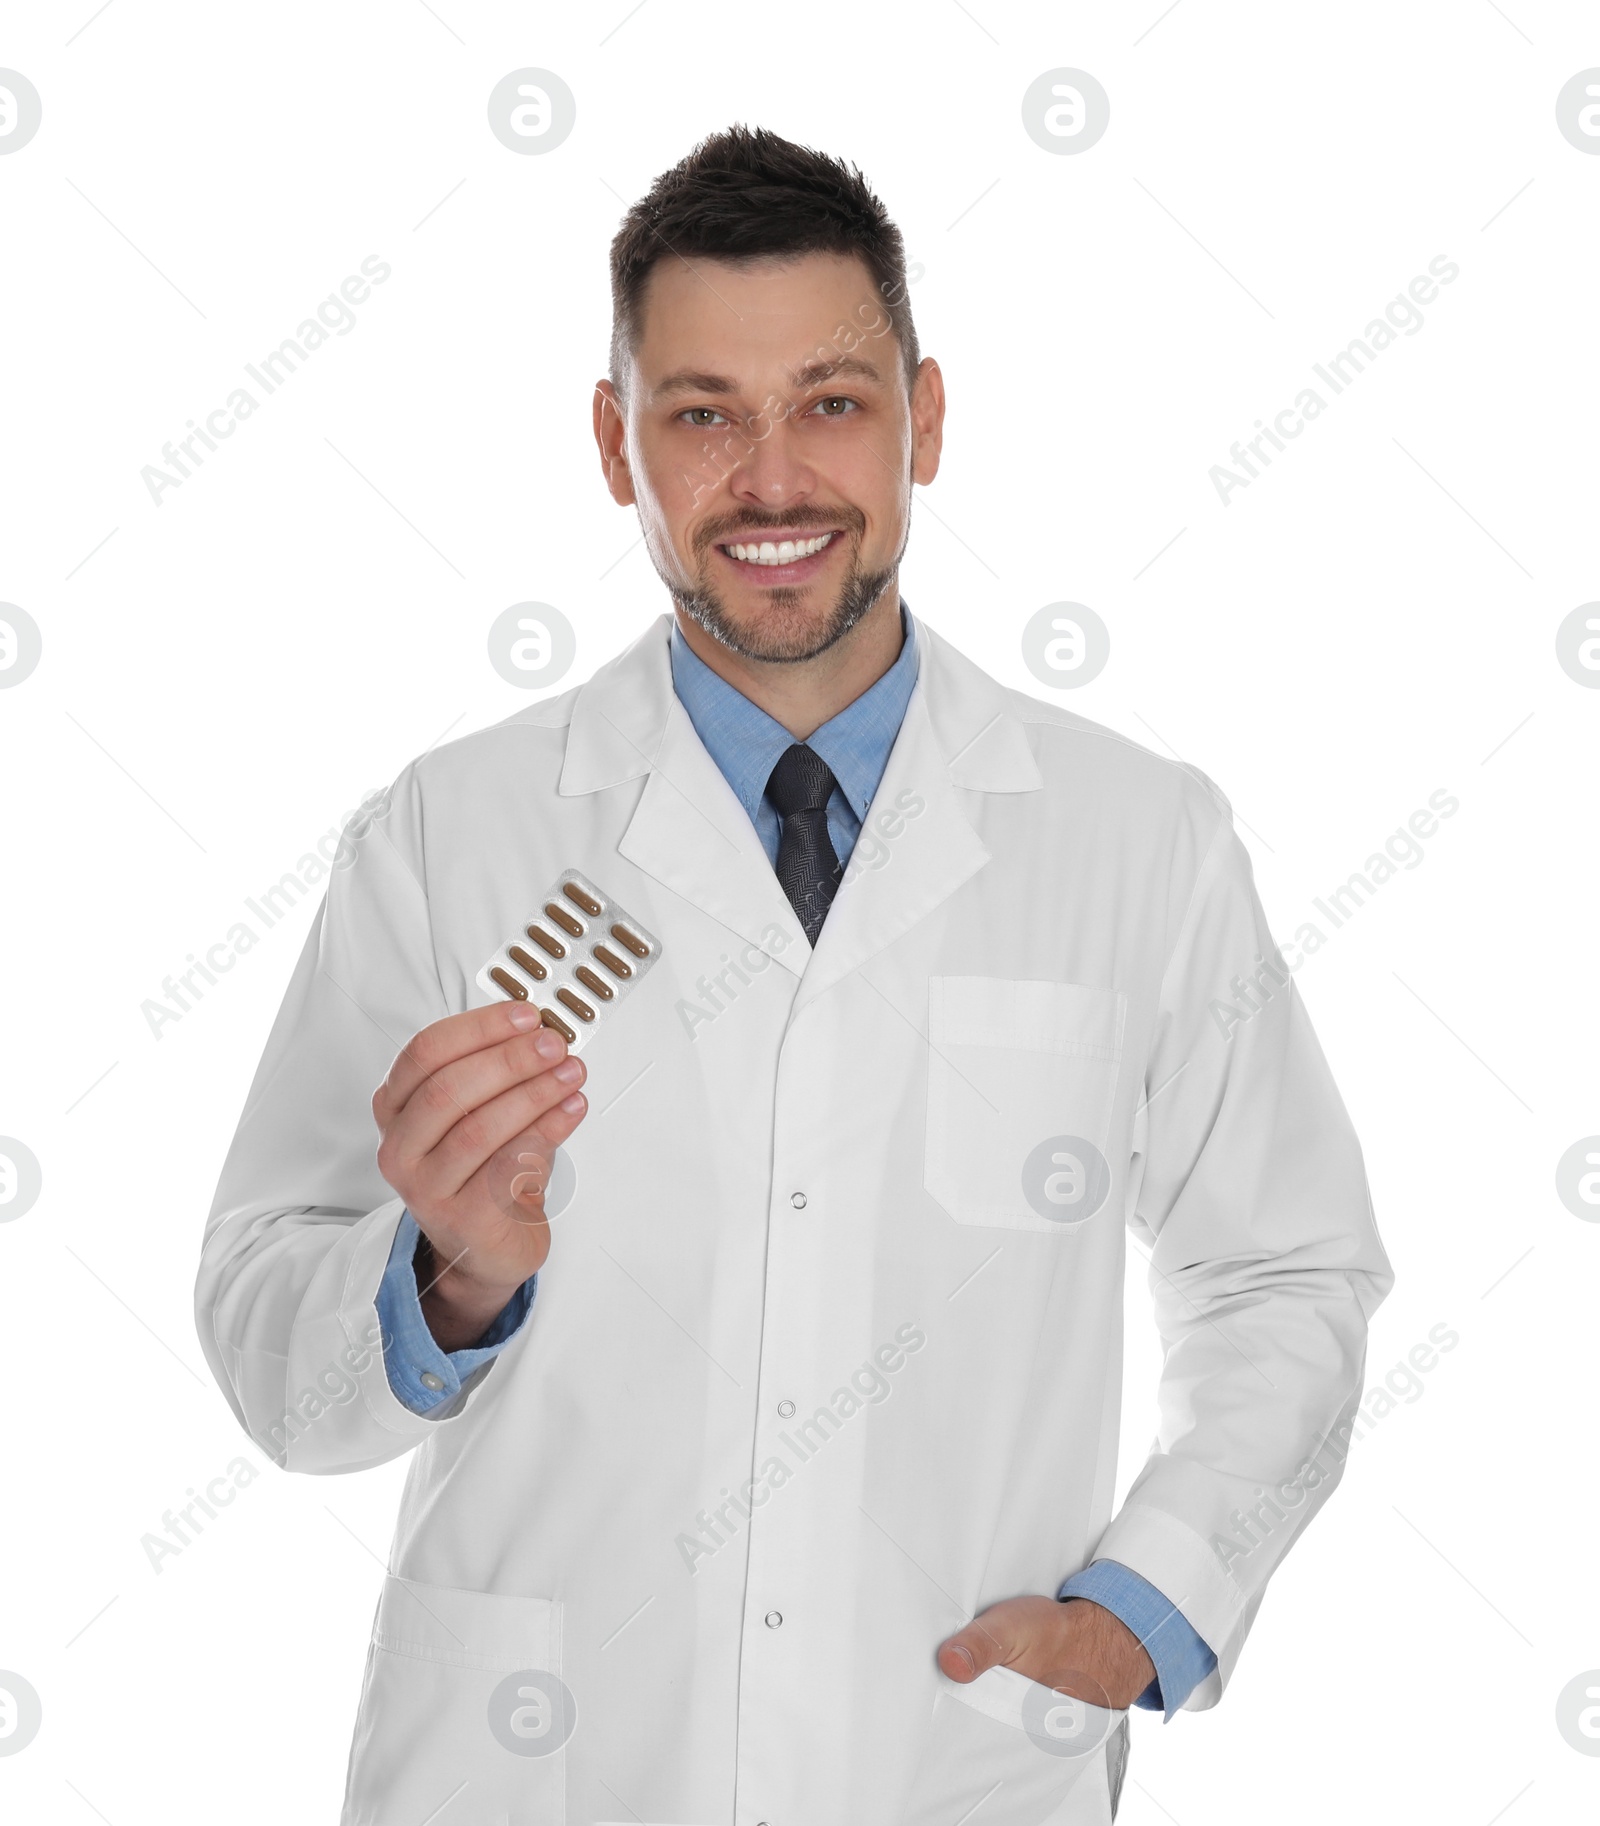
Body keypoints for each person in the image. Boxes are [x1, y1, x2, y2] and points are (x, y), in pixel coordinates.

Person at [196, 125, 1394, 1826]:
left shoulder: (1141, 841)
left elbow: (1286, 1268)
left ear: (927, 417)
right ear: (618, 445)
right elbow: (270, 1350)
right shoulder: (448, 836)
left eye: (830, 402)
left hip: (950, 1766)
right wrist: (443, 1283)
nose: (771, 481)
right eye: (702, 413)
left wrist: (1150, 1608)